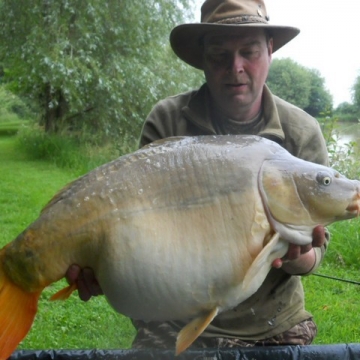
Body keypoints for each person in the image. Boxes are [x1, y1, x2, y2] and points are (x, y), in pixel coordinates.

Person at [66, 0, 329, 350]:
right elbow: (140, 231)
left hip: (270, 324)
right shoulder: (168, 120)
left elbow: (314, 256)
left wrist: (297, 255)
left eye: (248, 52)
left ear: (269, 50)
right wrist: (105, 265)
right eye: (219, 55)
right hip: (172, 316)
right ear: (203, 59)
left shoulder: (302, 132)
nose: (235, 67)